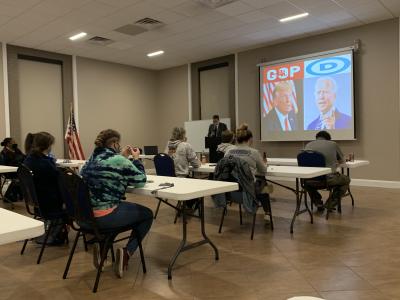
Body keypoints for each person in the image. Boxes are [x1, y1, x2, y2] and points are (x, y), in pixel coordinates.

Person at [80, 129, 153, 278]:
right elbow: (140, 181)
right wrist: (136, 159)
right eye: (118, 143)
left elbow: (109, 167)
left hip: (86, 218)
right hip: (105, 217)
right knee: (147, 215)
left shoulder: (90, 160)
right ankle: (127, 253)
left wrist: (123, 157)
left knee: (119, 213)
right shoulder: (119, 161)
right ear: (114, 143)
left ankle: (103, 250)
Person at [23, 132, 68, 245]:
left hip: (37, 203)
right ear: (47, 145)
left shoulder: (29, 160)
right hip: (50, 204)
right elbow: (60, 182)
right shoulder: (45, 163)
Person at [225, 123, 271, 219]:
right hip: (250, 189)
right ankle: (267, 212)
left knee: (261, 182)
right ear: (250, 139)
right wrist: (265, 164)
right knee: (264, 182)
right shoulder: (253, 152)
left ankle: (265, 211)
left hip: (232, 191)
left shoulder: (229, 152)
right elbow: (263, 170)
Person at [304, 130, 350, 211]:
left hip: (310, 180)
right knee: (346, 180)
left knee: (307, 184)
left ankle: (318, 202)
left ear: (317, 138)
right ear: (328, 138)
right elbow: (342, 161)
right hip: (329, 179)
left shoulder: (308, 144)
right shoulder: (333, 144)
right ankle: (330, 204)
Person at [166, 127, 201, 210]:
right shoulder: (185, 145)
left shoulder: (168, 145)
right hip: (181, 179)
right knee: (199, 184)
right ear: (183, 135)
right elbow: (196, 164)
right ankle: (189, 205)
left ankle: (186, 204)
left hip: (167, 179)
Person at [0, 137, 25, 202]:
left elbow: (23, 156)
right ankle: (9, 196)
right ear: (8, 144)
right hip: (10, 172)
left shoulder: (16, 150)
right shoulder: (4, 152)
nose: (15, 143)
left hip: (18, 170)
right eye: (13, 142)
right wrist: (18, 159)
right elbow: (6, 164)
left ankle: (20, 194)